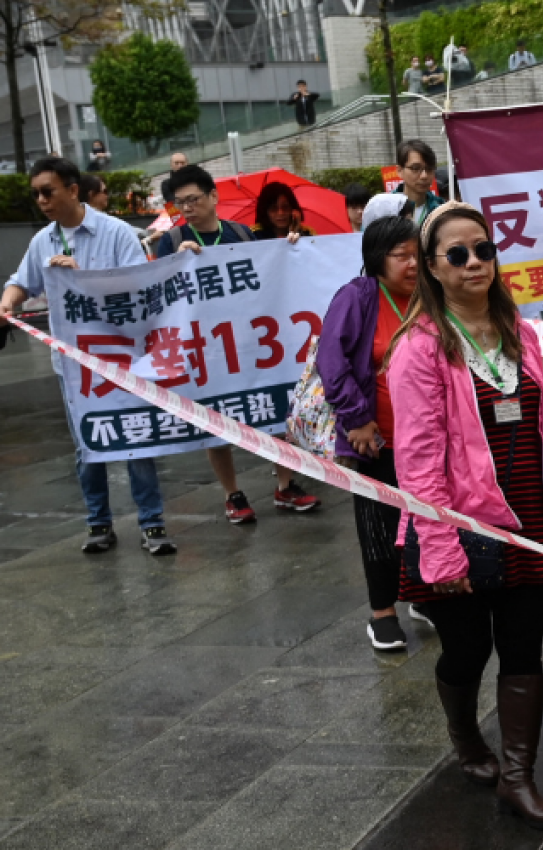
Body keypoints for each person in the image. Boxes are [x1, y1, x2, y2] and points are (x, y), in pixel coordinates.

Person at [388, 202, 543, 831]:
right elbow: (418, 461)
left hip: (528, 515)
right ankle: (466, 741)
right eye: (458, 254)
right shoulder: (420, 349)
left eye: (483, 250)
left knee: (524, 647)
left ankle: (518, 777)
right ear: (432, 267)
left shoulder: (519, 332)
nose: (475, 262)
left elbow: (529, 425)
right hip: (456, 524)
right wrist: (442, 548)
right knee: (467, 648)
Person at [0, 157, 172, 555]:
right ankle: (98, 523)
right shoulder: (43, 240)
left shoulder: (116, 233)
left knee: (134, 438)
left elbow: (137, 289)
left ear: (73, 190)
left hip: (122, 359)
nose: (41, 200)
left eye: (49, 191)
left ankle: (153, 523)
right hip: (75, 366)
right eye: (36, 194)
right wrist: (9, 302)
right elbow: (19, 282)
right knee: (87, 444)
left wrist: (79, 278)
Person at [158, 165, 321, 523]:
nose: (186, 208)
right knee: (214, 419)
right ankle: (232, 493)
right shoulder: (170, 242)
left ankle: (285, 483)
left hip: (248, 341)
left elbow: (270, 277)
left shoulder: (242, 235)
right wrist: (175, 264)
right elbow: (158, 293)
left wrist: (289, 249)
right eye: (179, 202)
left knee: (275, 407)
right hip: (204, 347)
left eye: (193, 199)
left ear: (212, 196)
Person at [319, 211, 427, 651]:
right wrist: (357, 418)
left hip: (426, 438)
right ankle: (382, 613)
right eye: (403, 256)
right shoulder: (358, 297)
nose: (414, 265)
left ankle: (424, 594)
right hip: (374, 437)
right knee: (379, 526)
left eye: (420, 254)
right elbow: (333, 362)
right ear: (378, 259)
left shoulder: (431, 296)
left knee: (427, 521)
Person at [394, 139, 446, 227]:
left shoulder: (443, 210)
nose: (424, 176)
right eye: (415, 168)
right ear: (399, 171)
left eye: (429, 169)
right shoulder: (384, 209)